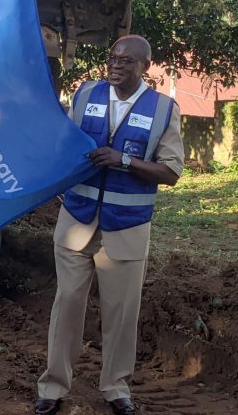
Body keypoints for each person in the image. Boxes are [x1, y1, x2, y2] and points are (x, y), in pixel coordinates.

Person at [35, 35, 184, 415]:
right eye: (113, 57)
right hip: (77, 220)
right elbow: (62, 144)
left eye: (127, 61)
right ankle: (53, 387)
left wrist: (125, 161)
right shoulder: (85, 94)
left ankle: (116, 388)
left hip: (127, 228)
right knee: (66, 303)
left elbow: (171, 172)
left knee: (121, 312)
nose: (116, 65)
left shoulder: (164, 109)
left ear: (145, 67)